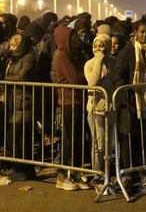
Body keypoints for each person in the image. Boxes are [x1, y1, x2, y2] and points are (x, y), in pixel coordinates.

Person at [112, 18, 146, 195]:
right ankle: (127, 173)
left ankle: (143, 173)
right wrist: (127, 93)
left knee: (145, 138)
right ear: (136, 33)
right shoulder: (127, 51)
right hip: (130, 103)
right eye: (141, 31)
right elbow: (118, 74)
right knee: (128, 139)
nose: (145, 34)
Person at [53, 24, 90, 191]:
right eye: (72, 37)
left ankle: (75, 173)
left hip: (78, 99)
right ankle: (62, 175)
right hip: (68, 101)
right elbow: (75, 78)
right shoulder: (61, 55)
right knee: (69, 139)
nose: (77, 39)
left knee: (78, 139)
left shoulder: (76, 54)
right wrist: (85, 71)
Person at [4, 33, 38, 181]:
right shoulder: (12, 59)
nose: (11, 47)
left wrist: (5, 80)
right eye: (11, 44)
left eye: (14, 44)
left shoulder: (28, 57)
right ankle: (23, 169)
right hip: (14, 102)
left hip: (24, 102)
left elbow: (22, 76)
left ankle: (24, 169)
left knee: (21, 137)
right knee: (16, 137)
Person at [84, 33, 113, 182]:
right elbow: (93, 83)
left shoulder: (114, 63)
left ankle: (108, 172)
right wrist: (99, 60)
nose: (98, 48)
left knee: (110, 144)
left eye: (101, 45)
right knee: (98, 144)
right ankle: (98, 173)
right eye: (95, 46)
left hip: (110, 109)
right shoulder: (89, 64)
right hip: (95, 110)